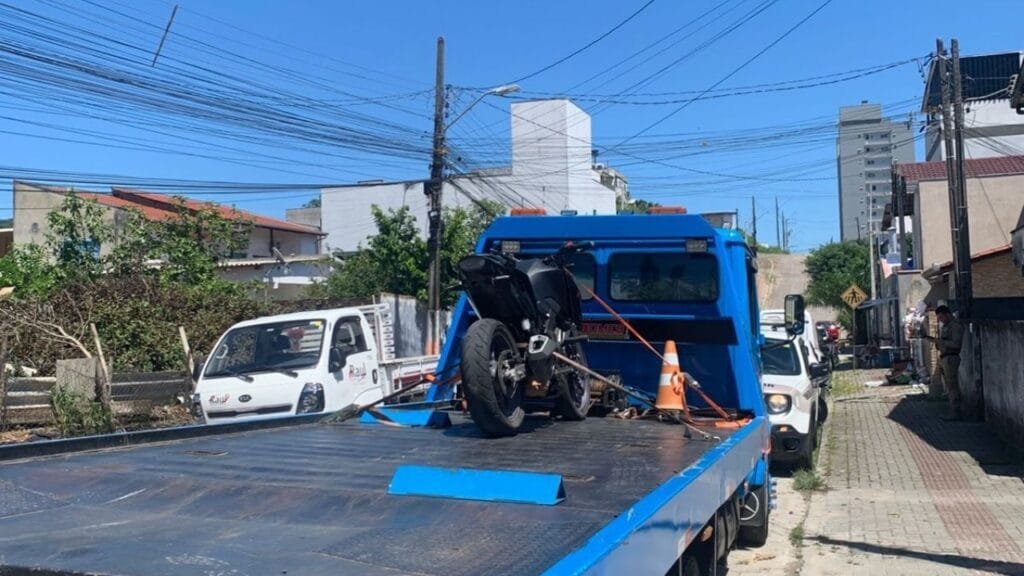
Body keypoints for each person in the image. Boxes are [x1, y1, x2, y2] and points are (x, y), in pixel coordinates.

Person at [930, 305, 964, 419]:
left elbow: (956, 344)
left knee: (952, 386)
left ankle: (956, 412)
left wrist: (941, 342)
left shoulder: (955, 326)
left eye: (941, 317)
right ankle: (953, 410)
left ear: (947, 314)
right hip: (945, 357)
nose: (940, 320)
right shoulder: (946, 326)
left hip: (951, 358)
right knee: (949, 386)